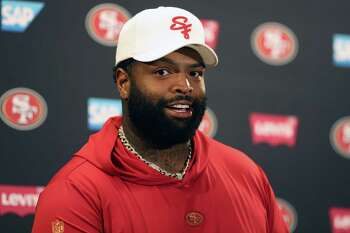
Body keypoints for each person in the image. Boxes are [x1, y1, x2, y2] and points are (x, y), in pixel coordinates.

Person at [32, 6, 289, 233]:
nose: (185, 86)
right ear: (124, 82)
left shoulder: (245, 173)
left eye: (195, 73)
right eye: (163, 71)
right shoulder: (76, 192)